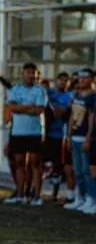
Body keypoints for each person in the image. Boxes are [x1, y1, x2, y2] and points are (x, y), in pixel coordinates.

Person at [3, 63, 47, 206]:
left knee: (35, 163)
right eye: (28, 72)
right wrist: (28, 106)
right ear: (23, 73)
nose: (30, 75)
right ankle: (20, 194)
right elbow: (12, 107)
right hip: (18, 132)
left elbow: (39, 110)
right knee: (19, 163)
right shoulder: (16, 89)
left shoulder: (40, 91)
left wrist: (21, 108)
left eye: (33, 72)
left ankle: (36, 195)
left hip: (34, 132)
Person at [64, 67, 96, 213]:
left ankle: (91, 198)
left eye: (86, 77)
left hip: (85, 138)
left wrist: (88, 138)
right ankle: (80, 197)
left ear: (92, 79)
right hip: (74, 137)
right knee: (77, 171)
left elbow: (91, 119)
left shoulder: (92, 97)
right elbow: (71, 117)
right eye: (80, 78)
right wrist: (69, 137)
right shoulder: (76, 96)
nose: (82, 80)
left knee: (86, 171)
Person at [44, 72, 73, 203]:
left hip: (61, 135)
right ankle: (34, 190)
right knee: (44, 163)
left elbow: (65, 113)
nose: (63, 82)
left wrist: (60, 111)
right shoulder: (50, 93)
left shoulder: (70, 96)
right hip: (46, 134)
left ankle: (55, 192)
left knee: (59, 165)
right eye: (60, 79)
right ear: (56, 81)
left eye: (65, 80)